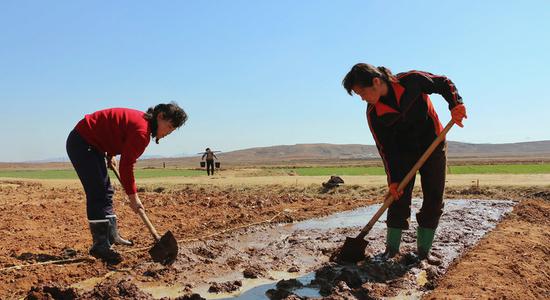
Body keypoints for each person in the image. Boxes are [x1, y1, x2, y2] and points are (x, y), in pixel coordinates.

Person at [342, 63, 467, 259]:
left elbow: (443, 83)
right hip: (403, 154)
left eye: (362, 92)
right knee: (397, 197)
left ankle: (423, 252)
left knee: (434, 198)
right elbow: (385, 149)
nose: (362, 98)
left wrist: (456, 104)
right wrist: (393, 180)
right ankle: (391, 250)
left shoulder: (412, 81)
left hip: (433, 144)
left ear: (376, 82)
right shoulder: (374, 113)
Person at [66, 102, 187, 264]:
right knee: (98, 192)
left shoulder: (142, 125)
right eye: (170, 126)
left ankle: (111, 236)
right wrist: (133, 197)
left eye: (172, 130)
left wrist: (110, 153)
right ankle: (100, 246)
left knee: (106, 192)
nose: (168, 133)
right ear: (160, 117)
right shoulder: (142, 132)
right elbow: (127, 166)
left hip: (92, 144)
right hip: (83, 143)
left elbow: (116, 130)